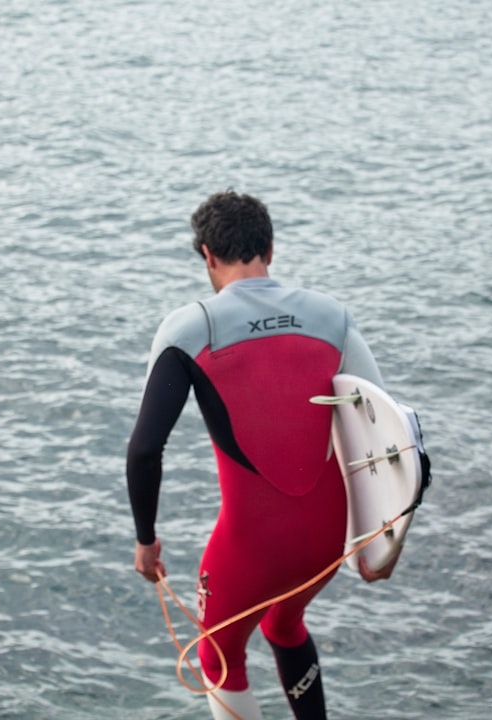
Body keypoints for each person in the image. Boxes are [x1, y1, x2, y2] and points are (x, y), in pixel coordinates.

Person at [127, 190, 400, 720]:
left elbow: (144, 449)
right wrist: (384, 542)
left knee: (217, 656)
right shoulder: (332, 316)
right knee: (283, 623)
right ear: (270, 249)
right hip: (326, 539)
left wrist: (146, 540)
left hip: (250, 546)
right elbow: (390, 434)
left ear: (207, 255)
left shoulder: (190, 328)